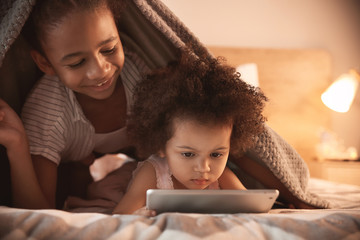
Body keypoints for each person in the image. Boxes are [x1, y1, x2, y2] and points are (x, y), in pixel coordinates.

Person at [5, 0, 155, 209]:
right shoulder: (47, 113)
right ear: (45, 63)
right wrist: (17, 145)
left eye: (109, 49)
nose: (100, 71)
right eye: (77, 63)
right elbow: (37, 213)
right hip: (73, 170)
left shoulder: (143, 74)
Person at [112, 51, 267, 216]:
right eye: (188, 154)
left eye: (216, 154)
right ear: (161, 146)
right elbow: (121, 214)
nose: (204, 168)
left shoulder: (221, 177)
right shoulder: (153, 173)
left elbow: (250, 205)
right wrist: (138, 216)